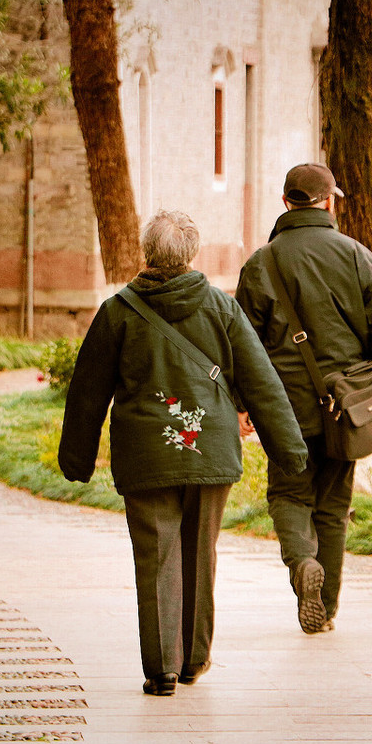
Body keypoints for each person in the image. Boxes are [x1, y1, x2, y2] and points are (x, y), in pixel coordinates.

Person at [58, 210, 307, 696]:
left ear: (147, 251)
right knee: (200, 554)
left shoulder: (118, 312)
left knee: (155, 557)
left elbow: (87, 392)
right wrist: (290, 451)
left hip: (146, 455)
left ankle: (163, 669)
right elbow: (261, 382)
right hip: (209, 451)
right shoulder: (220, 307)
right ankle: (193, 660)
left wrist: (77, 459)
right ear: (190, 252)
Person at [234, 163, 372, 634]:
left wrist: (242, 403)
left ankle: (301, 565)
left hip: (283, 405)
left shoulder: (261, 263)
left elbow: (243, 344)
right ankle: (325, 609)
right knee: (333, 504)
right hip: (349, 404)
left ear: (286, 202)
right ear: (329, 201)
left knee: (289, 493)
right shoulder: (357, 256)